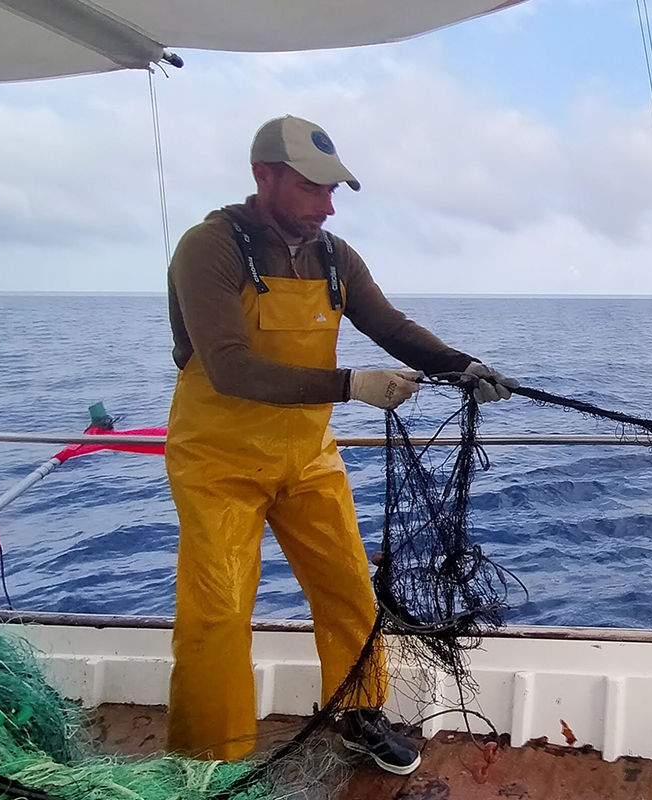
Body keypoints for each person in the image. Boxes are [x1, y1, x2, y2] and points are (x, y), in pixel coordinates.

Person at [163, 115, 517, 771]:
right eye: (312, 188)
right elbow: (229, 367)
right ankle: (205, 764)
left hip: (307, 457)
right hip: (218, 463)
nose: (327, 206)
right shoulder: (207, 248)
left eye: (334, 192)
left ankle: (358, 714)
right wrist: (353, 383)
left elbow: (392, 327)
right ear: (263, 176)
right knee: (216, 614)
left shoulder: (335, 256)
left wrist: (461, 366)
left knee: (352, 593)